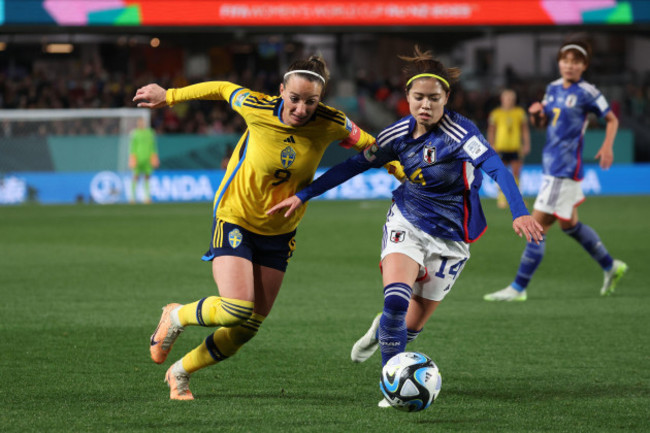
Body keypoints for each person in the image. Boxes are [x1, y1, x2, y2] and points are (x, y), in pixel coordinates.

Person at [268, 46, 544, 407]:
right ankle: (390, 386)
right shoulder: (396, 134)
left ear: (446, 98)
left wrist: (519, 211)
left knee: (409, 327)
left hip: (452, 238)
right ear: (407, 98)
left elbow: (497, 168)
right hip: (408, 219)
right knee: (397, 301)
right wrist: (306, 194)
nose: (425, 105)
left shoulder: (461, 133)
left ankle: (380, 331)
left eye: (433, 98)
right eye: (418, 97)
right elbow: (353, 165)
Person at [133, 56, 403, 400]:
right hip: (236, 217)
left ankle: (181, 372)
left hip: (281, 232)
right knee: (236, 309)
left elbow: (370, 145)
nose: (302, 108)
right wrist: (169, 95)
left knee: (246, 328)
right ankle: (176, 316)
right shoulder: (255, 105)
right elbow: (220, 87)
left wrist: (399, 168)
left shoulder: (332, 122)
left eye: (311, 101)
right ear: (281, 91)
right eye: (294, 98)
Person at [483, 37, 627, 302]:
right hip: (553, 166)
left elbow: (611, 119)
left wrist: (607, 146)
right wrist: (538, 113)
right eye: (565, 60)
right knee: (570, 224)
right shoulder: (552, 89)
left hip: (563, 168)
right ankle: (610, 265)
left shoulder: (588, 92)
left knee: (536, 227)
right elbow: (544, 123)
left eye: (576, 62)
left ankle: (517, 288)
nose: (569, 66)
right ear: (559, 62)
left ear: (584, 66)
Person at [487, 89, 530, 208]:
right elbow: (491, 130)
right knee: (501, 173)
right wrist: (491, 144)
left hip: (515, 147)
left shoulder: (520, 112)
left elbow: (525, 130)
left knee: (516, 174)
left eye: (511, 98)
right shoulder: (496, 113)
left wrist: (526, 144)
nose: (509, 101)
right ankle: (501, 197)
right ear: (502, 99)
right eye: (507, 98)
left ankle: (517, 199)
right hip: (501, 147)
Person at [128, 117, 159, 203]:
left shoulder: (150, 132)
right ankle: (132, 197)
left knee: (147, 177)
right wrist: (132, 158)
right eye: (140, 122)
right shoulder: (135, 133)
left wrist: (154, 157)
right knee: (135, 177)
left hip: (148, 159)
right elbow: (132, 147)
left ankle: (147, 197)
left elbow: (153, 146)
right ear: (138, 124)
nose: (141, 124)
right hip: (138, 158)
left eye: (142, 122)